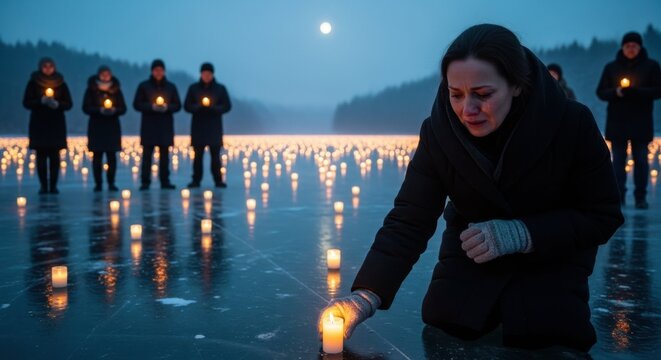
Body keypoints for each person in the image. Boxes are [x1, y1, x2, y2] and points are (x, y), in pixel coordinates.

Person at [318, 24, 624, 352]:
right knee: (446, 319)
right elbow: (410, 217)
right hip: (471, 258)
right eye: (456, 94)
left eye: (483, 94)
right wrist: (367, 294)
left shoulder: (571, 124)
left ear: (517, 86)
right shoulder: (439, 132)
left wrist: (523, 234)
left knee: (545, 333)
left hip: (549, 262)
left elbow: (602, 215)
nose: (467, 110)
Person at [597, 31, 661, 209]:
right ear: (622, 47)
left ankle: (641, 197)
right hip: (618, 123)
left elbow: (658, 90)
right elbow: (601, 91)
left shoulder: (651, 66)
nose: (631, 49)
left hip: (641, 122)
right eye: (628, 46)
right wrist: (616, 92)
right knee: (617, 162)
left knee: (641, 161)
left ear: (640, 48)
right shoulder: (611, 67)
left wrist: (637, 92)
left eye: (634, 46)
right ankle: (618, 196)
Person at [22, 57, 73, 194]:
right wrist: (40, 101)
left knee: (55, 158)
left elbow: (68, 104)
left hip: (56, 125)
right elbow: (26, 102)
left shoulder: (61, 83)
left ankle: (54, 185)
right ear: (40, 67)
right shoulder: (33, 83)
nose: (48, 68)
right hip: (39, 125)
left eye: (50, 65)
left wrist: (58, 104)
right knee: (41, 158)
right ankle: (44, 185)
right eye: (45, 66)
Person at [133, 59, 181, 190]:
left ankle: (165, 181)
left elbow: (177, 105)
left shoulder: (171, 87)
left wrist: (167, 107)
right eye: (156, 70)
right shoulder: (144, 86)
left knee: (165, 156)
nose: (158, 72)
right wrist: (151, 107)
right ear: (152, 71)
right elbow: (137, 104)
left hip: (165, 126)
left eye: (161, 70)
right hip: (149, 126)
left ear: (164, 71)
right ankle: (145, 181)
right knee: (147, 156)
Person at [184, 62, 232, 188]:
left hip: (214, 128)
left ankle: (218, 180)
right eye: (204, 73)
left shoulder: (220, 89)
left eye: (209, 74)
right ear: (201, 74)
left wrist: (214, 108)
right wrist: (198, 107)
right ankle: (196, 180)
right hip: (198, 127)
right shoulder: (193, 88)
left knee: (215, 157)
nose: (206, 76)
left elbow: (227, 106)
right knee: (197, 157)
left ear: (212, 74)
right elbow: (187, 106)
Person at [82, 65, 127, 192]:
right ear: (98, 75)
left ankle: (111, 182)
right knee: (97, 157)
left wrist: (114, 110)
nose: (105, 76)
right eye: (103, 74)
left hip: (112, 127)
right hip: (96, 127)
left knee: (111, 157)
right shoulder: (91, 90)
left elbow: (123, 108)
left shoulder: (117, 90)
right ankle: (98, 183)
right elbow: (85, 107)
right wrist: (99, 110)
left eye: (108, 73)